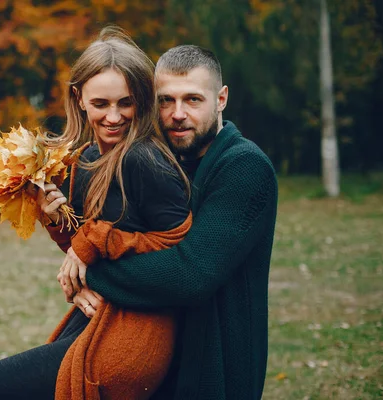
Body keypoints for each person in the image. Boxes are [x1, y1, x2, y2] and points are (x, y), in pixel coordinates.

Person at [0, 27, 191, 400]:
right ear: (78, 98)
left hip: (135, 338)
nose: (113, 117)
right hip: (99, 320)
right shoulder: (89, 159)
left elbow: (181, 250)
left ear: (142, 98)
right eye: (100, 104)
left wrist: (92, 244)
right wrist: (60, 224)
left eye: (126, 103)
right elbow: (83, 252)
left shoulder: (144, 158)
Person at [59, 45, 279, 399]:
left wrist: (89, 272)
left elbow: (190, 274)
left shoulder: (244, 167)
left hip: (214, 362)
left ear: (221, 99)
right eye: (166, 101)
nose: (177, 114)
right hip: (158, 349)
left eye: (193, 100)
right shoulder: (164, 158)